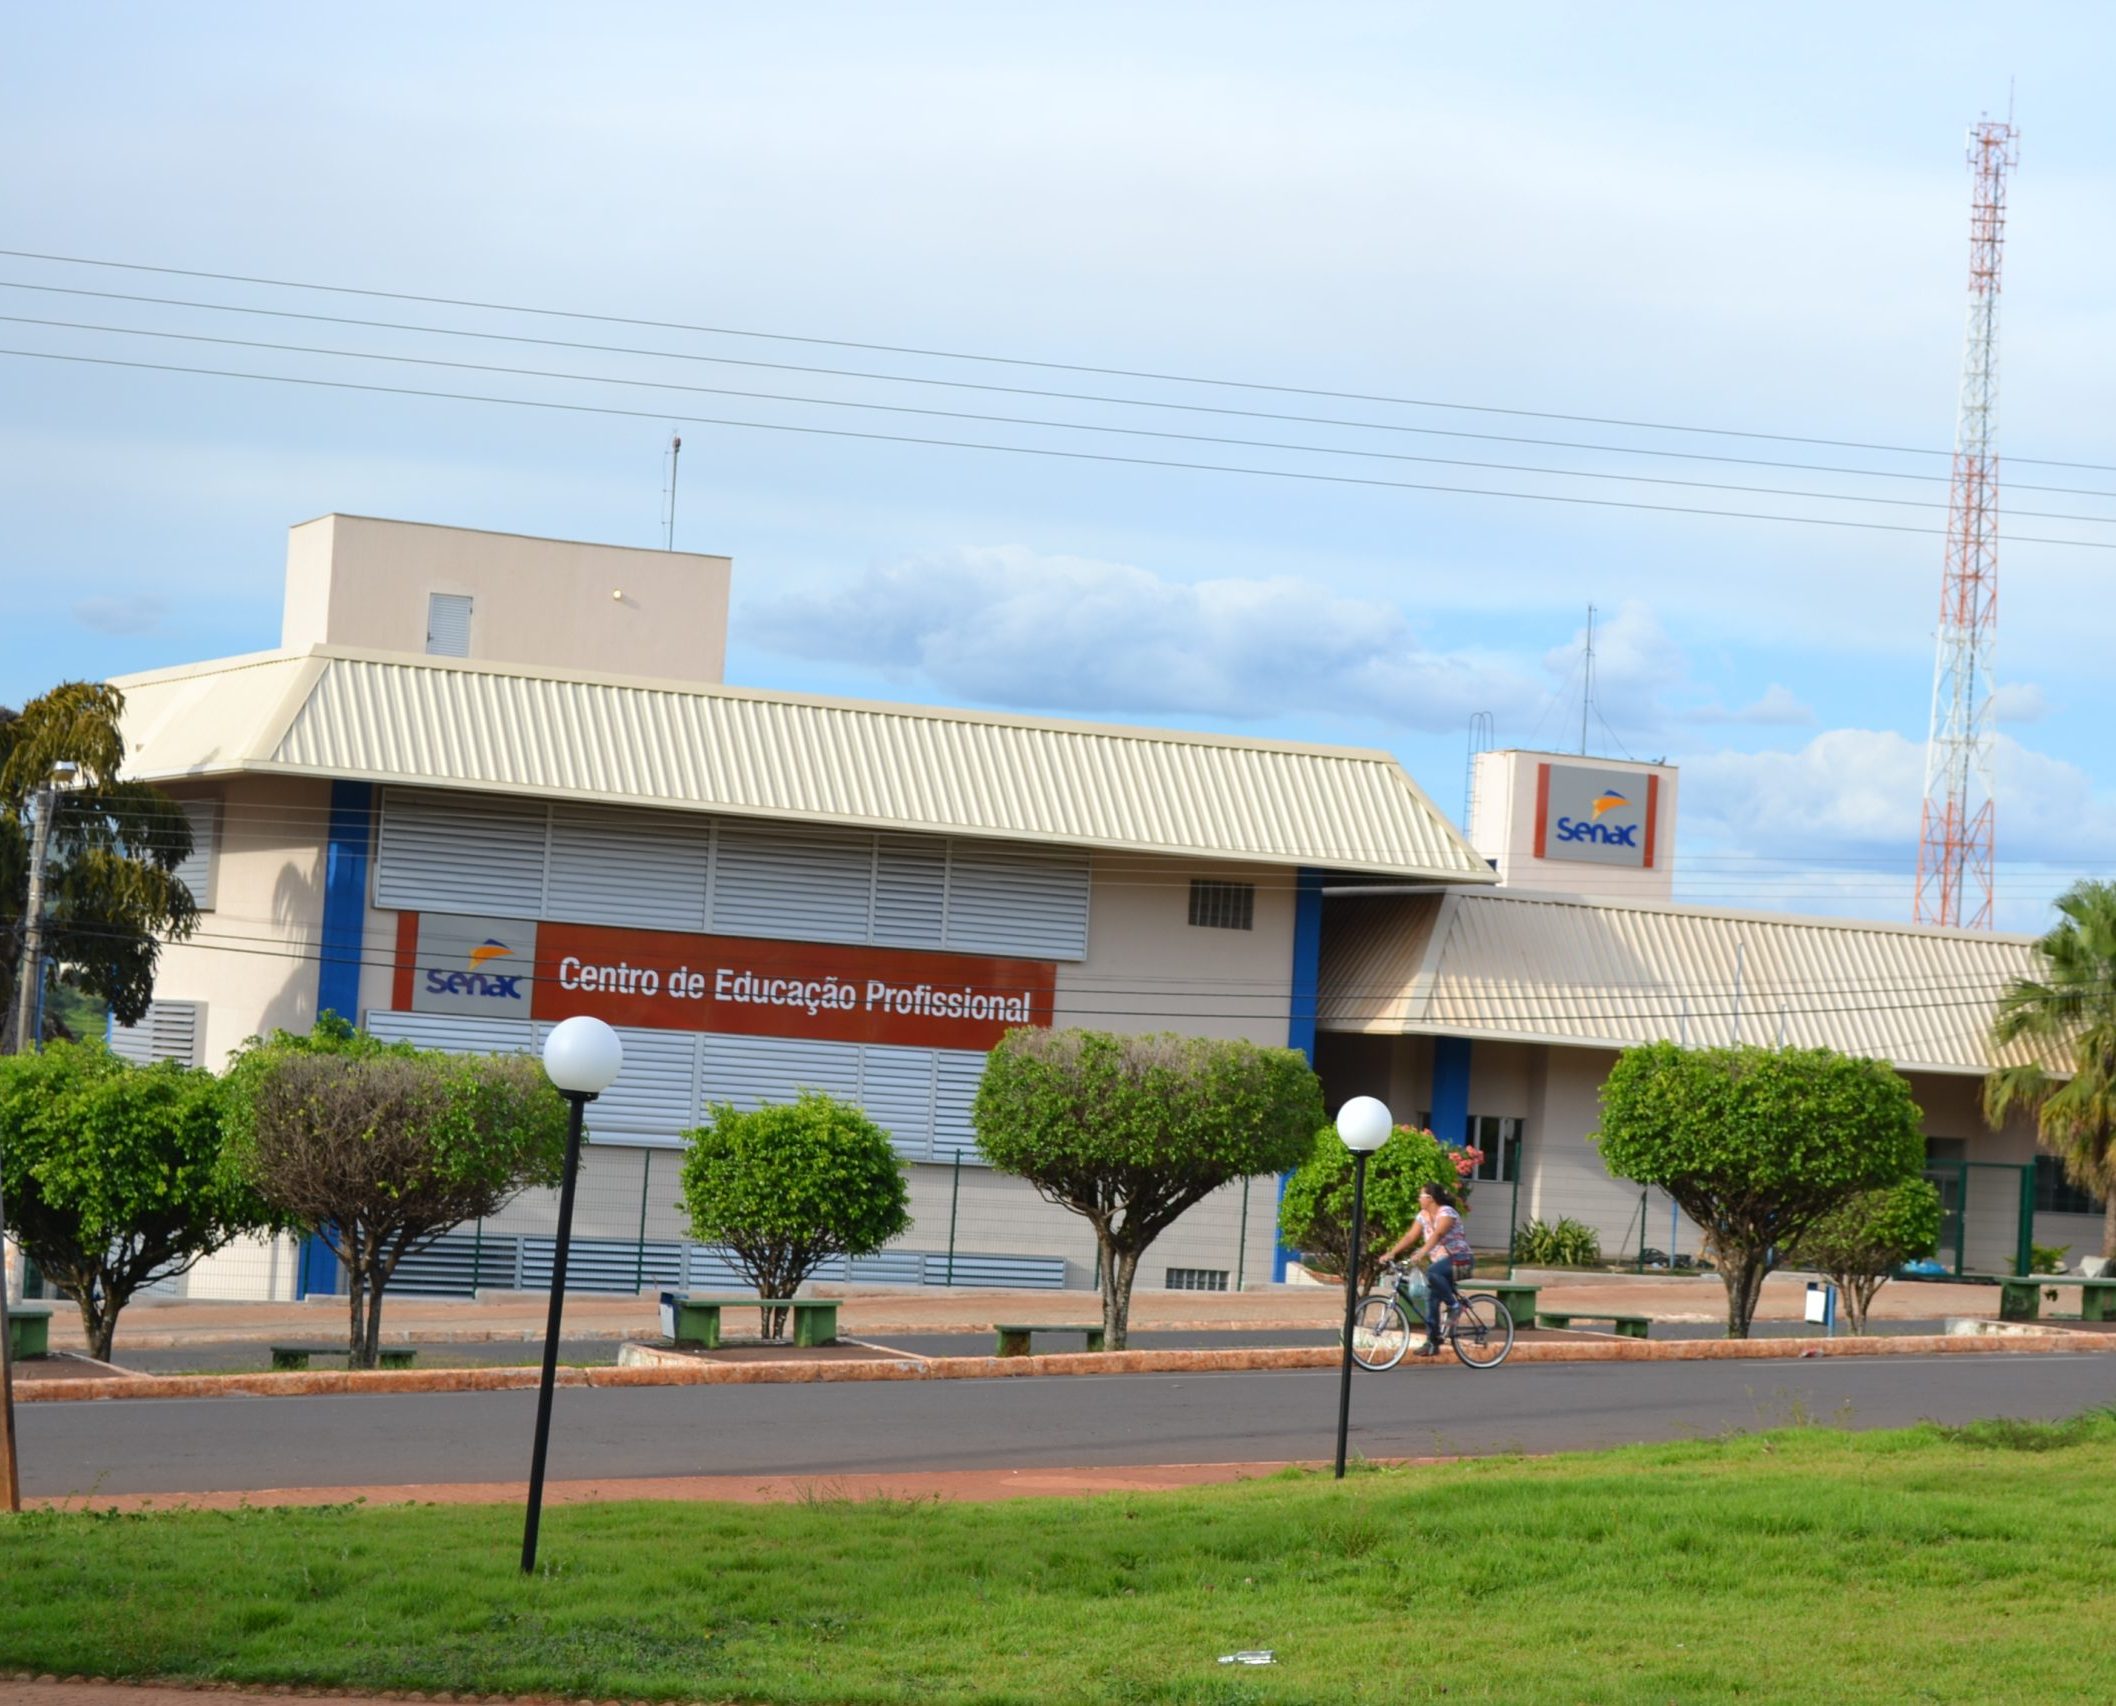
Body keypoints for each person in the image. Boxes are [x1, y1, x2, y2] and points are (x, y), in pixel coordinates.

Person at [1381, 1183, 1474, 1356]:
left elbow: (1438, 1234)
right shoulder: (1423, 1215)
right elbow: (1410, 1236)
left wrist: (1422, 1252)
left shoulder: (1447, 1212)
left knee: (1432, 1272)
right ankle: (1432, 1342)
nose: (1418, 1199)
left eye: (1421, 1196)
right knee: (1431, 1299)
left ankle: (1454, 1306)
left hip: (1460, 1259)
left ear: (1430, 1198)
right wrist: (1392, 1253)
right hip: (1441, 1264)